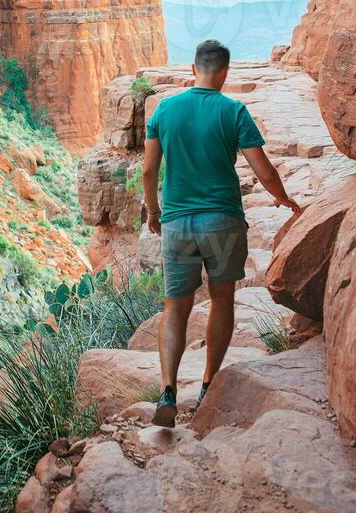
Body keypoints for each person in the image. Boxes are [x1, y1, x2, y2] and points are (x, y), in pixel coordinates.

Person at [143, 39, 302, 428]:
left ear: (193, 68)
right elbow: (263, 171)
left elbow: (148, 170)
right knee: (221, 300)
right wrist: (285, 200)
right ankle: (208, 385)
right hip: (223, 221)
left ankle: (167, 391)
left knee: (175, 307)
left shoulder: (165, 109)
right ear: (225, 72)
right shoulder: (234, 111)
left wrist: (153, 210)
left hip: (178, 223)